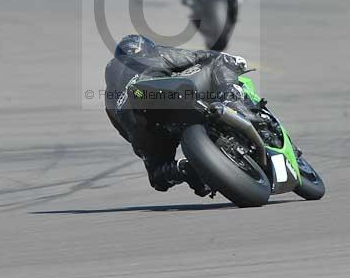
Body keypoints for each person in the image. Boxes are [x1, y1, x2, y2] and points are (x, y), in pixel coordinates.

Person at [104, 34, 250, 196]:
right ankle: (232, 102)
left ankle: (186, 170)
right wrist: (228, 59)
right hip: (163, 97)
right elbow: (193, 57)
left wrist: (145, 149)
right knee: (219, 61)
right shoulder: (152, 54)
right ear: (144, 48)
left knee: (158, 177)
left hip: (139, 126)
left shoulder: (110, 92)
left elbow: (124, 131)